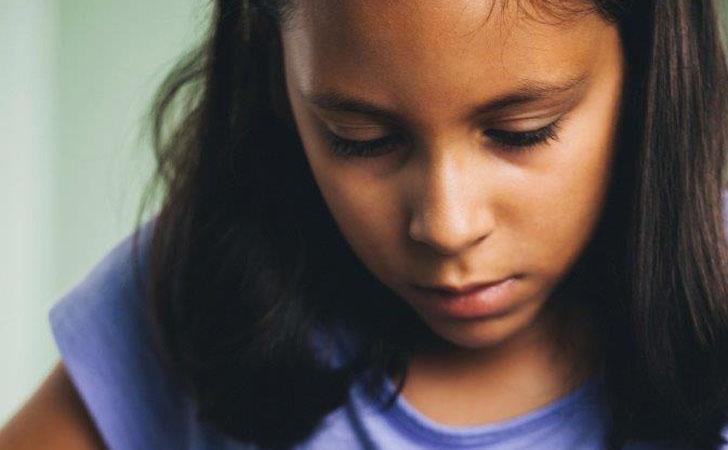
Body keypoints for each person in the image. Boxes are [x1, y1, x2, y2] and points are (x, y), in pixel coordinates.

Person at [2, 0, 728, 449]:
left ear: (649, 73)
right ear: (279, 86)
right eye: (360, 138)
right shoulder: (200, 287)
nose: (446, 226)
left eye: (522, 131)